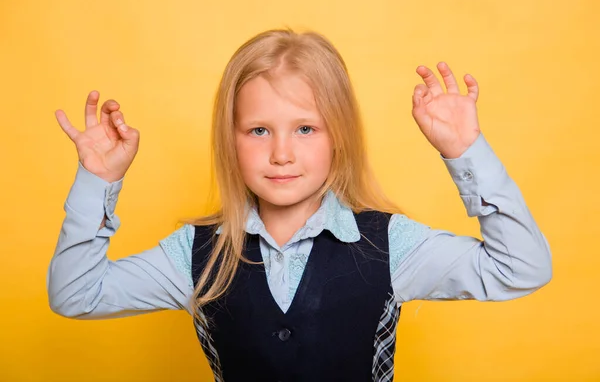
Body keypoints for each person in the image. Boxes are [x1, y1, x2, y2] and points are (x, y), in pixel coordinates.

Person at [47, 28, 552, 382]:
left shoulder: (390, 244)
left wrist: (466, 153)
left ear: (339, 136)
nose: (282, 153)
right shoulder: (196, 253)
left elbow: (522, 268)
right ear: (232, 139)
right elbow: (76, 294)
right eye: (259, 130)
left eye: (305, 128)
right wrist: (98, 181)